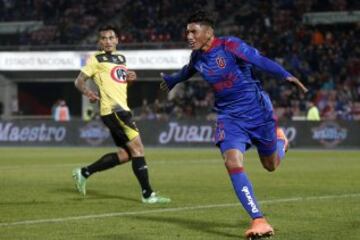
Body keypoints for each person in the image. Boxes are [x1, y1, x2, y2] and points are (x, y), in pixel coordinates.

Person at [160, 11, 308, 239]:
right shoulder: (197, 57)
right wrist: (172, 80)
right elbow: (187, 71)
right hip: (229, 117)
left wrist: (284, 75)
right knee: (231, 162)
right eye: (187, 31)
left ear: (208, 32)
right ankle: (258, 219)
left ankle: (281, 141)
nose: (188, 35)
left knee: (271, 165)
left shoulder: (230, 45)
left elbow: (259, 59)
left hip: (259, 114)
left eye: (193, 31)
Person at [73, 25, 170, 204]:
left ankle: (84, 172)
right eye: (104, 38)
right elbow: (78, 81)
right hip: (113, 110)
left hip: (122, 109)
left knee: (127, 154)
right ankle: (148, 194)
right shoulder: (96, 59)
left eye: (111, 38)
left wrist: (130, 79)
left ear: (117, 40)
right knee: (138, 149)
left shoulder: (120, 58)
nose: (108, 41)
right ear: (99, 42)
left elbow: (119, 84)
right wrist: (89, 93)